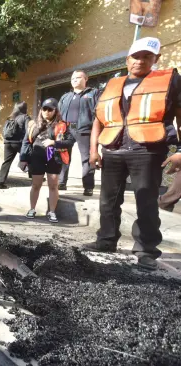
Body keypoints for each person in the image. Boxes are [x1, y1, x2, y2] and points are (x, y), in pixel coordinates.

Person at [86, 37, 181, 271]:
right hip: (113, 148)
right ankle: (106, 241)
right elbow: (99, 119)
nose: (140, 61)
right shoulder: (112, 84)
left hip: (147, 149)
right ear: (127, 59)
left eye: (146, 56)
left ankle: (146, 251)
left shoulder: (169, 81)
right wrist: (93, 150)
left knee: (146, 201)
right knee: (107, 200)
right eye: (136, 56)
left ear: (156, 59)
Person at [19, 98, 75, 223]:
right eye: (44, 109)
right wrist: (23, 159)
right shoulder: (33, 124)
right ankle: (32, 209)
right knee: (36, 185)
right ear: (41, 110)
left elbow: (70, 141)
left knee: (53, 185)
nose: (47, 112)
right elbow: (26, 142)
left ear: (55, 111)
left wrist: (54, 142)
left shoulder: (63, 125)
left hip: (53, 156)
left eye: (50, 109)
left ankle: (52, 212)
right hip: (36, 156)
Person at [58, 70, 100, 195]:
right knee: (63, 156)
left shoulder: (94, 93)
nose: (74, 80)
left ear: (86, 78)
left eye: (78, 77)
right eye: (72, 78)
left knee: (87, 159)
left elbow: (99, 112)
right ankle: (61, 182)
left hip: (84, 129)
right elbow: (58, 113)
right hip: (65, 131)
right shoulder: (66, 96)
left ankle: (88, 187)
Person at [0, 102, 30, 189]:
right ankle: (34, 177)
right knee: (31, 155)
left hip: (7, 143)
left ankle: (0, 182)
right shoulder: (25, 117)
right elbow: (28, 131)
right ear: (24, 109)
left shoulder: (9, 118)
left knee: (6, 162)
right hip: (18, 143)